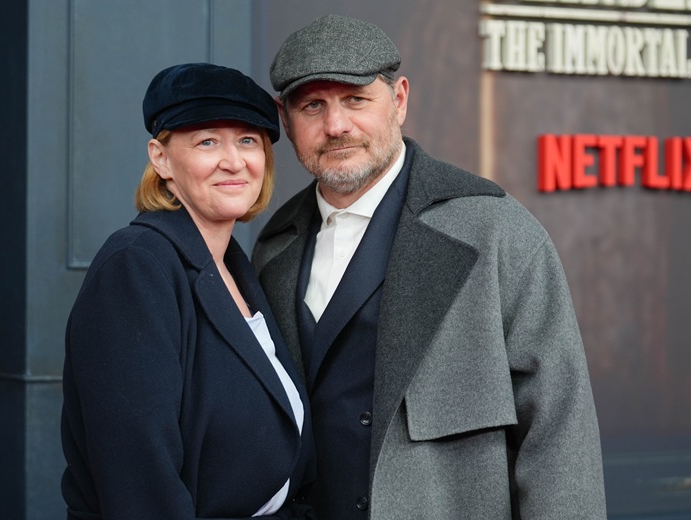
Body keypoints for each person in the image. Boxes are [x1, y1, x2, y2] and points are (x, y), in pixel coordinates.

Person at [252, 14, 607, 519]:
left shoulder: (494, 229)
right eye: (313, 106)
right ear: (285, 122)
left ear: (398, 100)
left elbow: (558, 427)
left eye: (356, 99)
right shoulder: (273, 246)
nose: (336, 126)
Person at [61, 62, 315, 519]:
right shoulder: (137, 265)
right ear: (160, 158)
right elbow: (141, 481)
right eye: (207, 141)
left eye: (247, 140)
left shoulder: (238, 269)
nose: (234, 160)